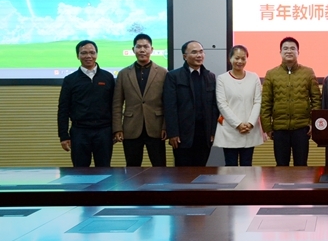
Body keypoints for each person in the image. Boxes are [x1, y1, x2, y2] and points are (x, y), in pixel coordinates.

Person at [261, 37, 321, 166]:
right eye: (286, 48)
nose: (289, 51)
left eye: (293, 48)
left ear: (298, 52)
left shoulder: (308, 72)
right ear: (280, 52)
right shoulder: (271, 74)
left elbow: (316, 100)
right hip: (279, 130)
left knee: (301, 166)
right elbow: (266, 103)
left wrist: (313, 123)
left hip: (302, 129)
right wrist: (268, 128)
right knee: (281, 167)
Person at [112, 33, 167, 167]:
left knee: (160, 167)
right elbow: (117, 104)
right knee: (132, 166)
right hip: (131, 128)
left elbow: (168, 103)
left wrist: (166, 126)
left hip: (156, 127)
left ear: (151, 49)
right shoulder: (123, 74)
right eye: (139, 47)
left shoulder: (163, 72)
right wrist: (117, 128)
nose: (142, 50)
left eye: (146, 47)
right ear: (133, 50)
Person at [57, 40, 115, 167]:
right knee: (80, 172)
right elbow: (63, 109)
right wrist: (63, 136)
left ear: (96, 54)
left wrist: (116, 130)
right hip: (80, 132)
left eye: (92, 52)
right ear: (77, 56)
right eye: (84, 53)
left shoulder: (108, 77)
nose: (88, 56)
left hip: (104, 132)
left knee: (104, 171)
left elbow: (115, 106)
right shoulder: (70, 80)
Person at [163, 40, 219, 166]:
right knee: (183, 171)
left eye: (201, 52)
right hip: (183, 134)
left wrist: (213, 131)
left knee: (201, 169)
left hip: (204, 134)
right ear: (185, 56)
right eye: (194, 52)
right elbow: (170, 107)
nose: (199, 55)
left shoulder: (210, 76)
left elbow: (214, 107)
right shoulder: (173, 76)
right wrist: (173, 133)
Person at [213, 45, 263, 166]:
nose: (240, 61)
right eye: (236, 58)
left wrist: (250, 123)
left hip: (249, 129)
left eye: (243, 58)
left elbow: (258, 101)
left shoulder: (254, 77)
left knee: (247, 165)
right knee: (231, 166)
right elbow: (222, 104)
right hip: (230, 130)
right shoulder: (222, 79)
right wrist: (238, 124)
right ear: (230, 59)